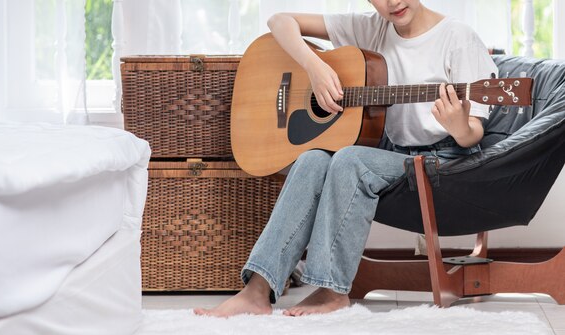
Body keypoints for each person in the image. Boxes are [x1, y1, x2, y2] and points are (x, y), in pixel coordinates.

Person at [194, 0, 497, 317]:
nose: (392, 2)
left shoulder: (458, 37)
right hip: (393, 154)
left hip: (445, 160)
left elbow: (472, 134)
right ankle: (256, 290)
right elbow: (280, 20)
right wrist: (315, 67)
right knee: (312, 159)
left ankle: (332, 291)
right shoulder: (370, 28)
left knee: (350, 160)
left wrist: (458, 125)